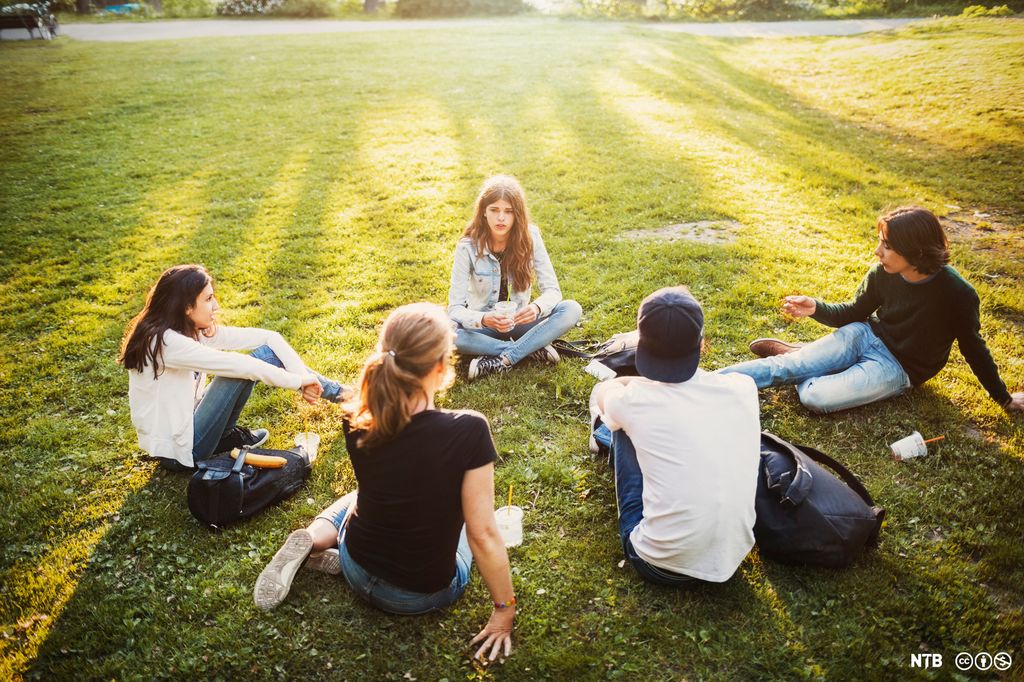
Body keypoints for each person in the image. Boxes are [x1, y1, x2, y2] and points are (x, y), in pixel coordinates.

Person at [253, 303, 516, 661]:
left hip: (356, 565)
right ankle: (319, 543)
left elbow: (355, 399)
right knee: (483, 522)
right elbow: (482, 535)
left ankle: (314, 537)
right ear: (441, 366)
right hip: (418, 596)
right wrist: (504, 611)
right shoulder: (469, 429)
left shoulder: (357, 414)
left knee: (367, 492)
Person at [719, 207, 1024, 415]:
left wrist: (1004, 398)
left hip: (898, 368)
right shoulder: (882, 272)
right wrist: (815, 308)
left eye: (887, 246)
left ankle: (802, 357)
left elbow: (974, 348)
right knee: (782, 369)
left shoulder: (957, 294)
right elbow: (853, 313)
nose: (878, 252)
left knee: (814, 396)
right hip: (863, 336)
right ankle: (705, 383)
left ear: (916, 251)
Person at [591, 287, 760, 585]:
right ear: (702, 343)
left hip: (658, 563)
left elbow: (605, 391)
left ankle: (603, 434)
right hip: (732, 558)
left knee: (618, 424)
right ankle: (607, 432)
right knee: (635, 421)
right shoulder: (742, 387)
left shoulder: (635, 401)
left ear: (640, 344)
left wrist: (631, 382)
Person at [119, 264, 347, 472]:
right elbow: (242, 365)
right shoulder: (166, 343)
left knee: (260, 358)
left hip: (188, 426)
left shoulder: (188, 328)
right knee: (241, 369)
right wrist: (298, 383)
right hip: (180, 452)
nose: (215, 305)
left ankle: (344, 395)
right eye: (208, 299)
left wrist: (304, 379)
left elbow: (269, 338)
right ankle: (347, 397)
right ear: (187, 306)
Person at [448, 175, 582, 380]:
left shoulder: (531, 237)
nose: (501, 218)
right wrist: (483, 319)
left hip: (520, 322)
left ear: (517, 214)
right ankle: (528, 349)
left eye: (508, 211)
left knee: (571, 308)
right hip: (484, 328)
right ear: (483, 211)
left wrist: (536, 308)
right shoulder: (467, 246)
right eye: (494, 210)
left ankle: (501, 357)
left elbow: (553, 291)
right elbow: (455, 308)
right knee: (446, 332)